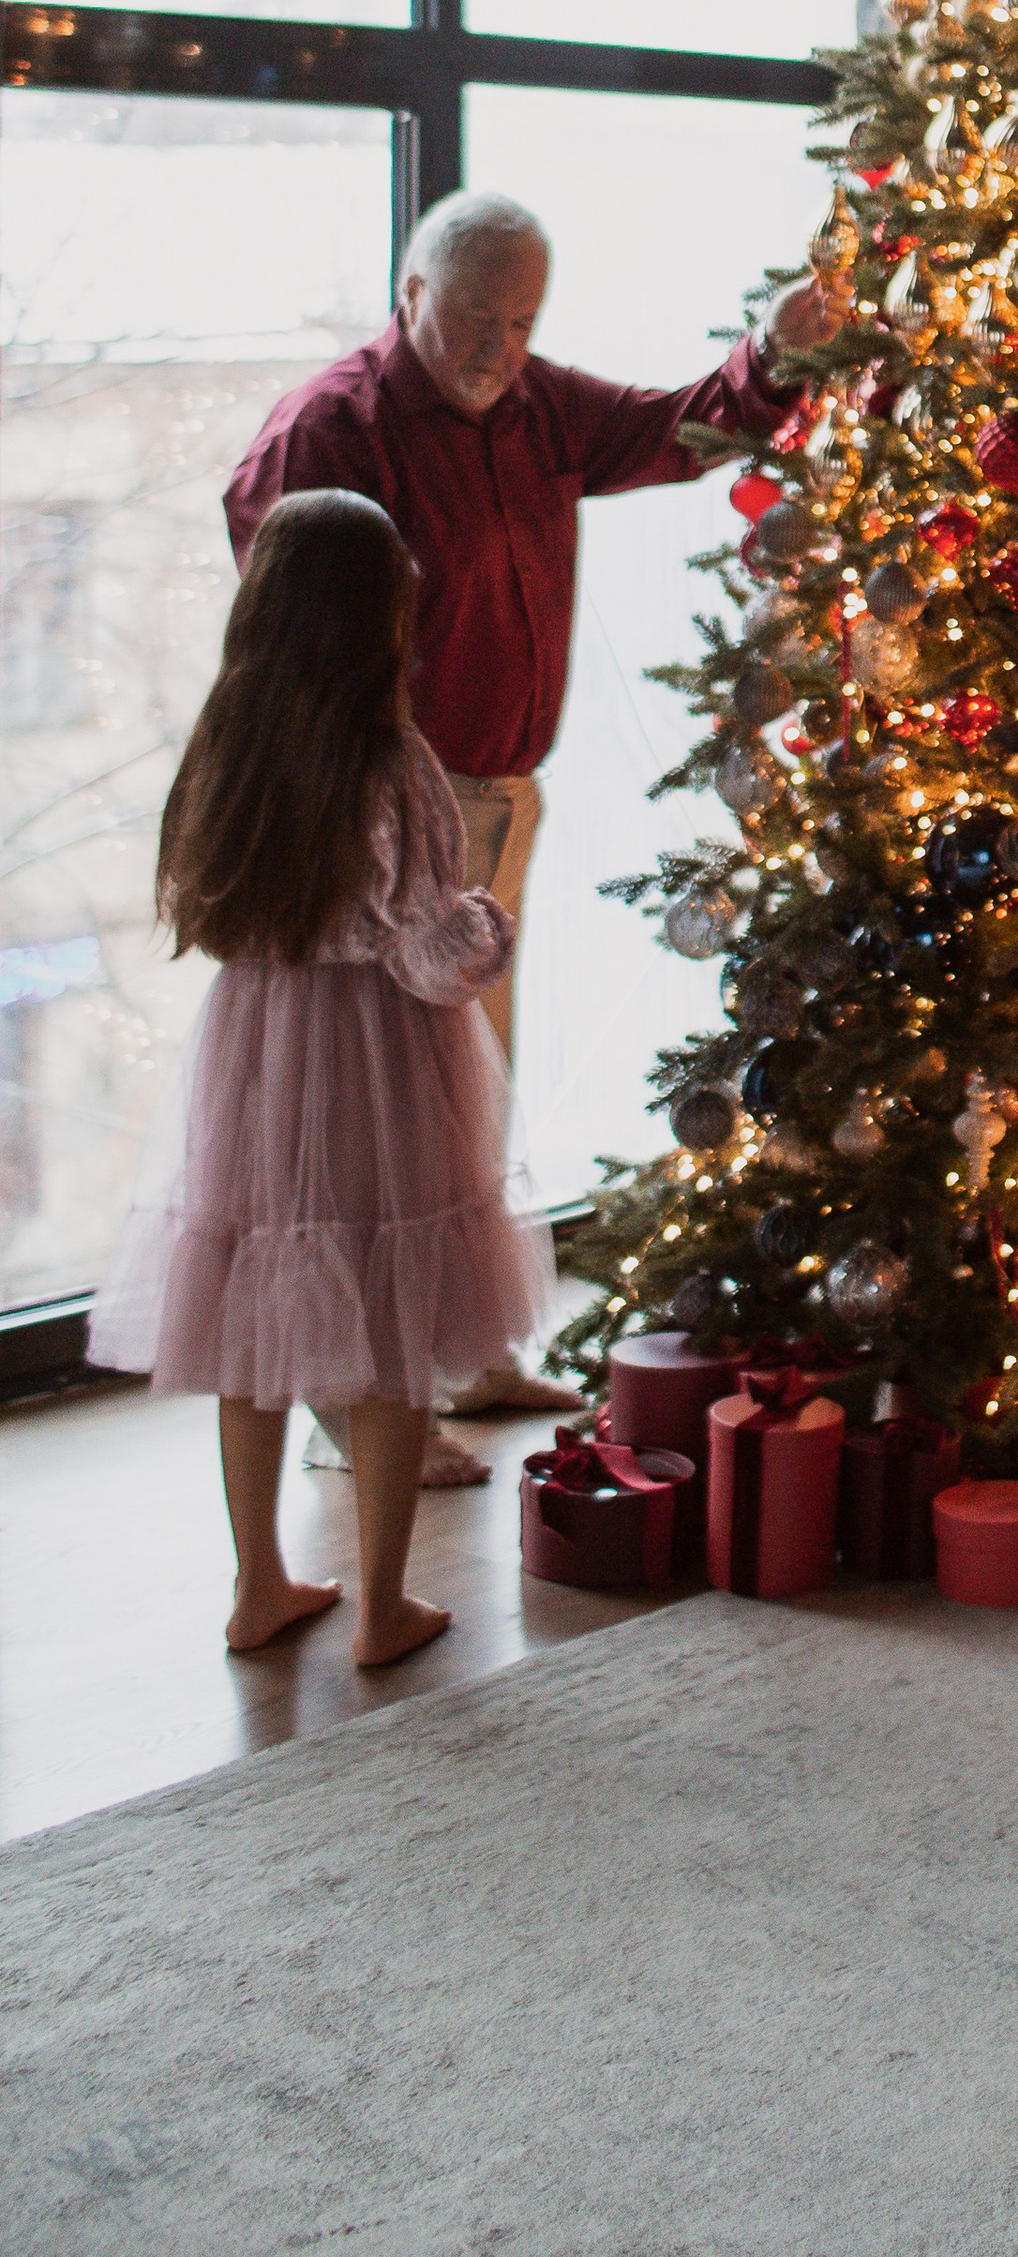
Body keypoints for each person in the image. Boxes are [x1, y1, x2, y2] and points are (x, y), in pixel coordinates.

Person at [224, 187, 839, 1470]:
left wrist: (775, 355)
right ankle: (359, 1410)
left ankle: (462, 1359)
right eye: (472, 320)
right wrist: (365, 801)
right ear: (409, 297)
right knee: (372, 1123)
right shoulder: (330, 427)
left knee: (464, 1099)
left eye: (520, 321)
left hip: (498, 804)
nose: (496, 350)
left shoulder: (538, 402)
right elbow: (277, 613)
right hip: (384, 817)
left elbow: (682, 433)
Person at [87, 491, 555, 1667]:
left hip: (255, 1046)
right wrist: (487, 924)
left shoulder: (226, 744)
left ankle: (260, 1586)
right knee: (389, 1316)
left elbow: (208, 904)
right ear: (373, 619)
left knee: (253, 1309)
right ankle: (385, 1606)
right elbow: (423, 951)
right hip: (375, 1057)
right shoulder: (390, 762)